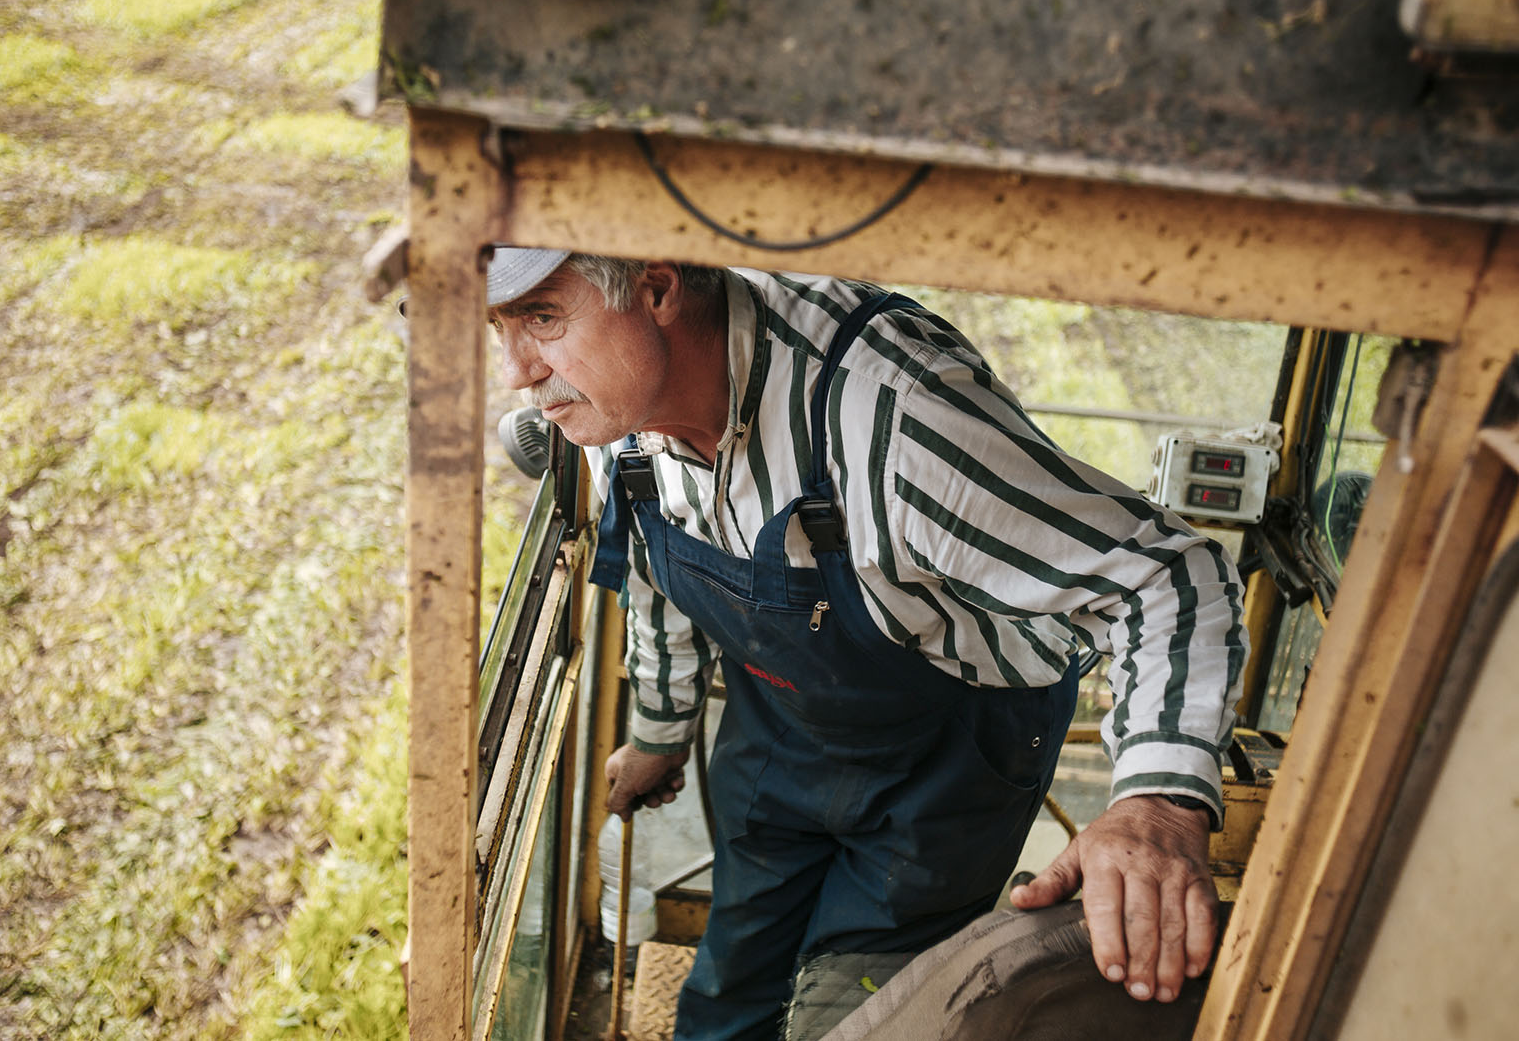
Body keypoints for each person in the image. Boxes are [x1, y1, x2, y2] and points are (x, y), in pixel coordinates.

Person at [485, 247, 1245, 1040]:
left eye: (543, 317)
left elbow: (1167, 578)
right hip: (778, 730)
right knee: (729, 984)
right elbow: (653, 556)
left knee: (856, 1015)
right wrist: (660, 730)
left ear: (658, 288)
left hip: (945, 759)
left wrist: (1157, 802)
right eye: (498, 326)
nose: (515, 373)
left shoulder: (894, 418)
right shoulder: (613, 417)